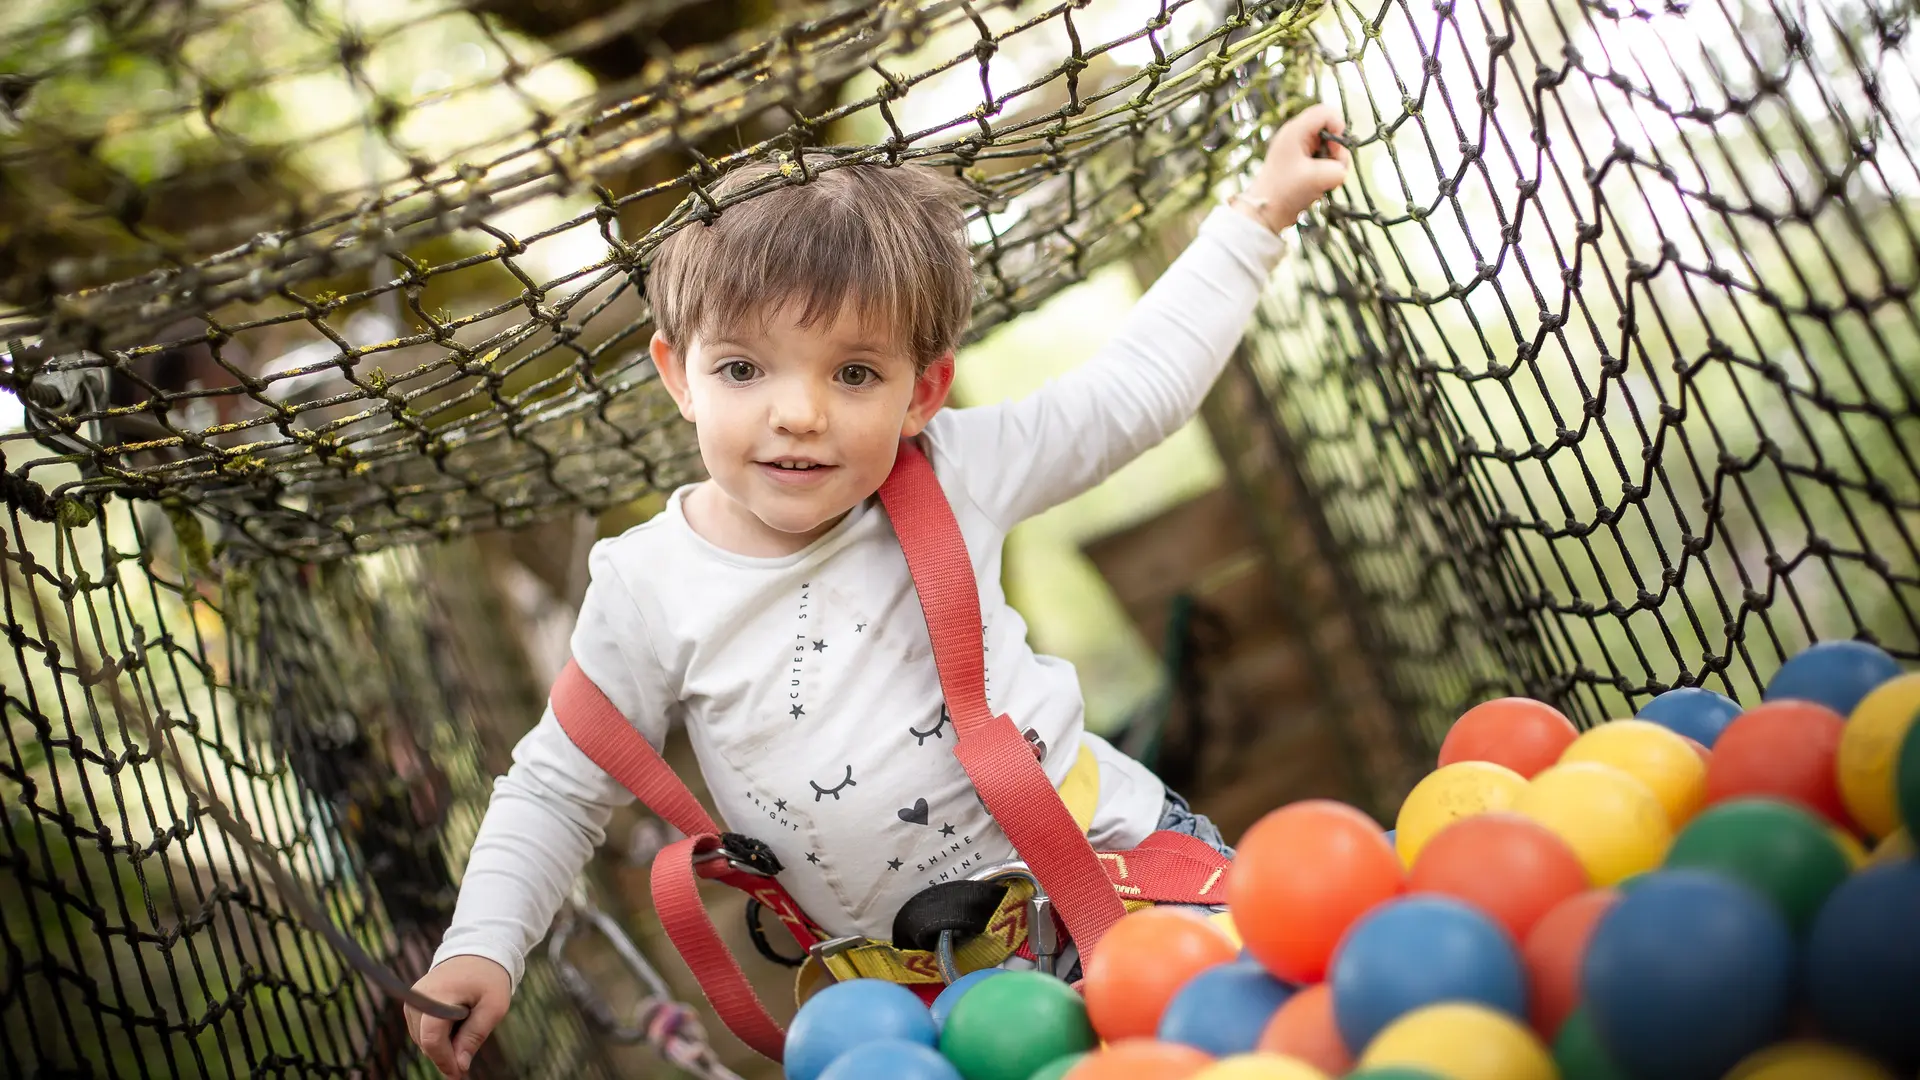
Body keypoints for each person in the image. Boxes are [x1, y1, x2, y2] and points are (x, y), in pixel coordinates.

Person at [406, 104, 1350, 1077]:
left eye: (854, 372)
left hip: (1111, 878)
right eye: (742, 367)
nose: (800, 412)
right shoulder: (647, 588)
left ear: (922, 392)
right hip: (910, 996)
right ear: (678, 376)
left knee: (1273, 1047)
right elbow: (559, 783)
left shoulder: (951, 468)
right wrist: (482, 943)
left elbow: (1128, 394)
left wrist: (1257, 214)